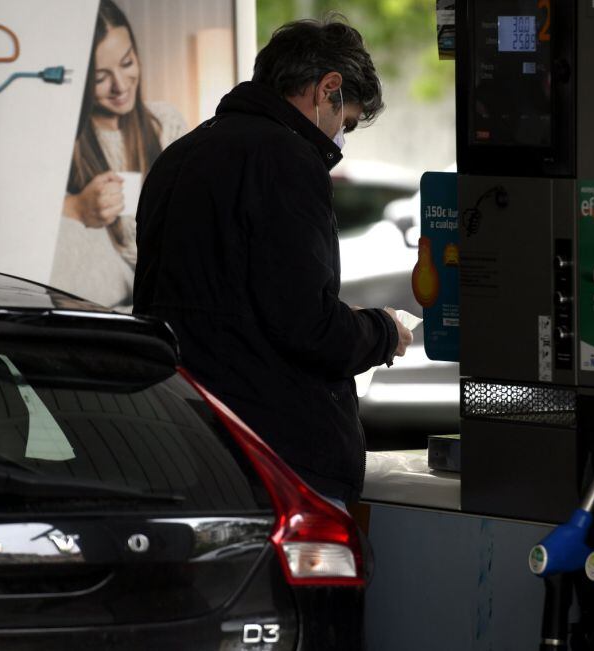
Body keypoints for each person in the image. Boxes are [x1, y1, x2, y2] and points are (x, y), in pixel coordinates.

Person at [133, 16, 414, 506]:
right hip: (274, 457)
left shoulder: (179, 156)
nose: (340, 142)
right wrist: (383, 332)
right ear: (329, 88)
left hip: (183, 438)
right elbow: (306, 325)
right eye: (345, 123)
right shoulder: (287, 160)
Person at [51, 0, 186, 311]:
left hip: (167, 284)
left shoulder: (164, 122)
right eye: (100, 78)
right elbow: (25, 217)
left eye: (127, 63)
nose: (120, 85)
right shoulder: (65, 139)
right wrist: (76, 207)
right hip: (100, 296)